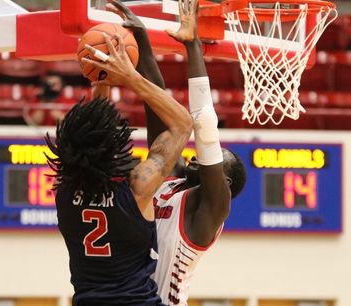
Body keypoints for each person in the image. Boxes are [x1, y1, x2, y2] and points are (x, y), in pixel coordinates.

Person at [104, 0, 247, 305]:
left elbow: (205, 124)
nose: (198, 156)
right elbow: (157, 105)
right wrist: (140, 38)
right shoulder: (170, 178)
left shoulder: (211, 207)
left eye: (216, 160)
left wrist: (193, 45)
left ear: (226, 183)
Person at [45, 30, 193, 305]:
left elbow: (94, 137)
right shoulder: (138, 186)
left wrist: (101, 82)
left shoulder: (64, 193)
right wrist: (129, 76)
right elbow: (183, 124)